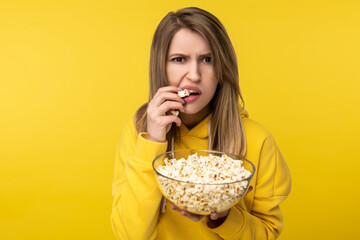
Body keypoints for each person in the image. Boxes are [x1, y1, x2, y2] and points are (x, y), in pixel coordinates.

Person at [111, 7, 291, 240]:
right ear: (161, 67)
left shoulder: (257, 140)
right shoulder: (136, 133)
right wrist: (153, 141)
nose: (194, 75)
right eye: (179, 59)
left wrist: (226, 217)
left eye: (207, 59)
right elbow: (128, 235)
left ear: (222, 69)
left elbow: (268, 233)